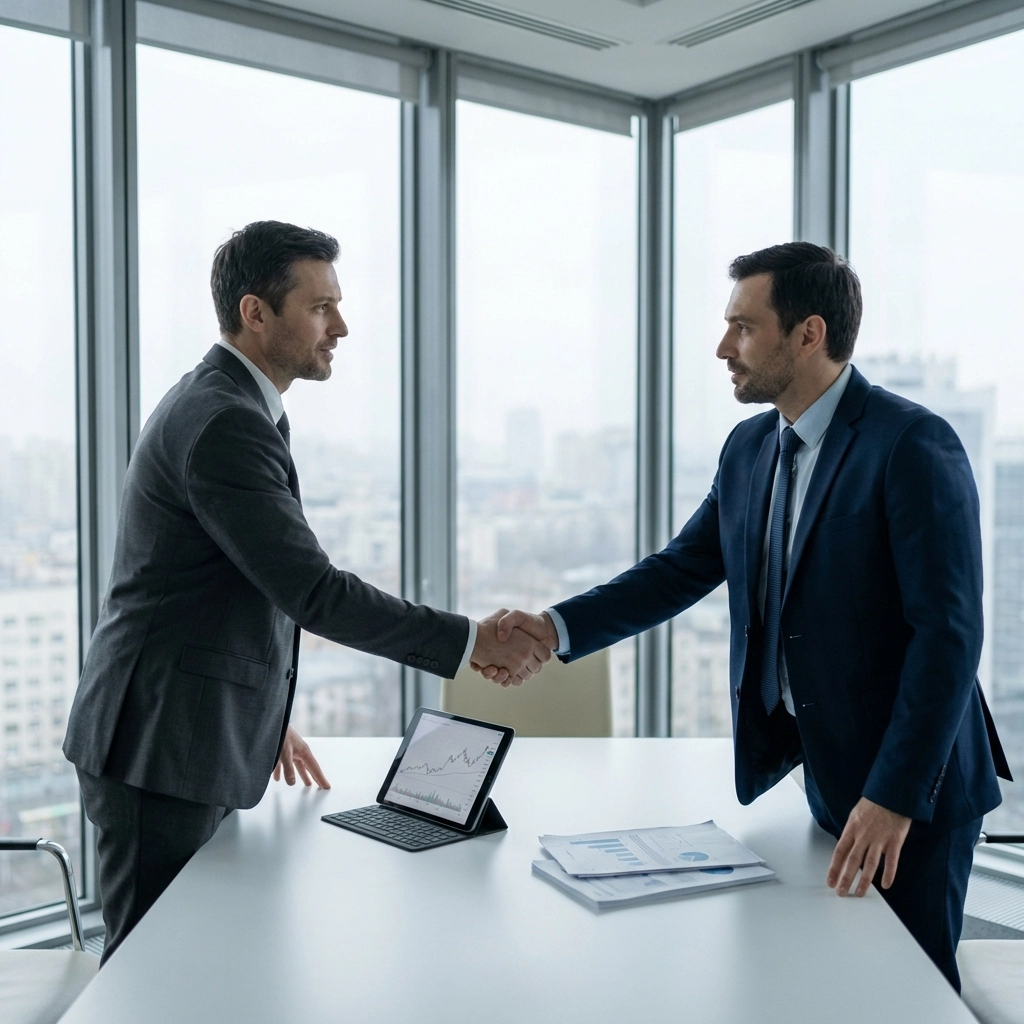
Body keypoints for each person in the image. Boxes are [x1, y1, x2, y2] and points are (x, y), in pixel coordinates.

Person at [485, 242, 1011, 991]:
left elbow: (950, 635)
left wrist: (895, 795)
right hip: (827, 777)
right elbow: (681, 567)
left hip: (912, 796)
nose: (723, 347)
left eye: (743, 326)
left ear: (809, 334)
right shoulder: (750, 447)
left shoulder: (913, 444)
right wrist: (555, 627)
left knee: (909, 997)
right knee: (834, 987)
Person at [63, 220, 549, 964]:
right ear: (256, 313)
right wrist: (472, 641)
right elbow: (312, 591)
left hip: (181, 725)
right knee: (149, 974)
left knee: (194, 963)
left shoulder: (225, 400)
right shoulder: (225, 420)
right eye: (321, 308)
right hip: (157, 742)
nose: (341, 327)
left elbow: (209, 586)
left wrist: (253, 709)